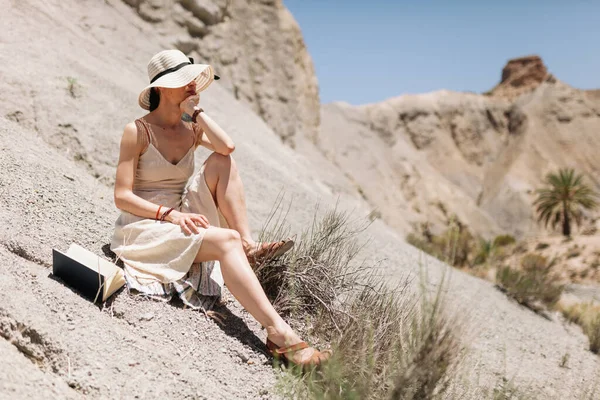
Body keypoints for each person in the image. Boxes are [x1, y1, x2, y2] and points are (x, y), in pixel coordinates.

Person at [110, 49, 330, 366]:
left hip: (182, 214)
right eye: (183, 82)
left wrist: (197, 115)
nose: (192, 87)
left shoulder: (191, 130)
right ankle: (282, 335)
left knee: (222, 161)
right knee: (224, 240)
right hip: (145, 224)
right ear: (161, 89)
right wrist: (169, 215)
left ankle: (248, 245)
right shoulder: (137, 131)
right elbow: (121, 196)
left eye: (192, 81)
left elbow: (227, 147)